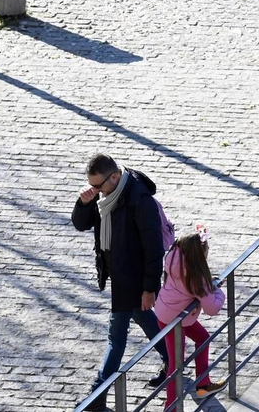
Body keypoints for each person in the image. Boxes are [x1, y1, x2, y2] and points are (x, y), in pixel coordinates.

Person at [72, 154, 170, 411]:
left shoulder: (139, 201)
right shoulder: (104, 197)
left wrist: (149, 289)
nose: (95, 191)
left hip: (134, 278)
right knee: (143, 317)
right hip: (118, 275)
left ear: (114, 177)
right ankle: (173, 358)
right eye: (91, 186)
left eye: (98, 185)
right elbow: (81, 225)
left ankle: (98, 393)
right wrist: (83, 204)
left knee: (116, 336)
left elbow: (154, 249)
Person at [153, 224, 225, 409]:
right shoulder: (196, 277)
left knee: (202, 338)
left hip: (167, 312)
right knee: (175, 366)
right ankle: (172, 407)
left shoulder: (173, 257)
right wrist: (218, 290)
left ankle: (203, 385)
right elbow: (212, 308)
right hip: (174, 321)